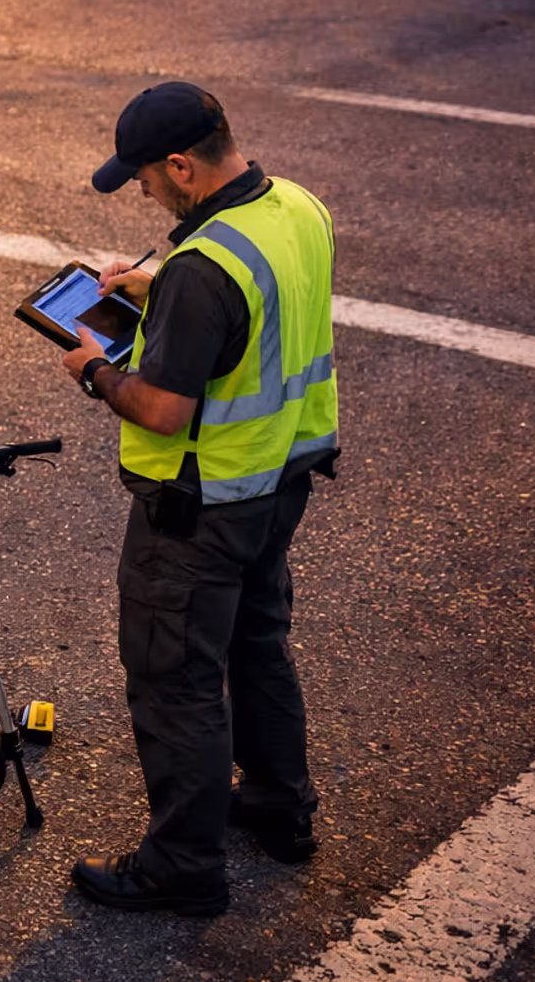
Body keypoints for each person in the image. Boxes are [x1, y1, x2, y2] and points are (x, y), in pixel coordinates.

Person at [59, 82, 339, 917]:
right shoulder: (298, 208)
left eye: (146, 178)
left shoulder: (201, 270)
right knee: (257, 645)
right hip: (277, 480)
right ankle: (281, 809)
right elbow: (261, 313)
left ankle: (182, 867)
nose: (145, 192)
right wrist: (162, 294)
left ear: (181, 166)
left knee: (176, 678)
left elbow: (161, 408)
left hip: (197, 506)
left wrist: (94, 369)